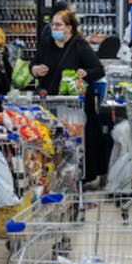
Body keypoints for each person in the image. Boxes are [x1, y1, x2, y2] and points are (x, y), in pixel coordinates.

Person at [30, 10, 108, 183]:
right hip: (51, 105)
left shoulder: (79, 45)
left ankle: (79, 177)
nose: (54, 28)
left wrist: (85, 72)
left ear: (69, 28)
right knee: (54, 144)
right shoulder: (46, 44)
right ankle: (54, 176)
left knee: (75, 144)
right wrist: (34, 70)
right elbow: (33, 64)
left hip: (75, 109)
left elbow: (99, 70)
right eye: (53, 24)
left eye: (58, 25)